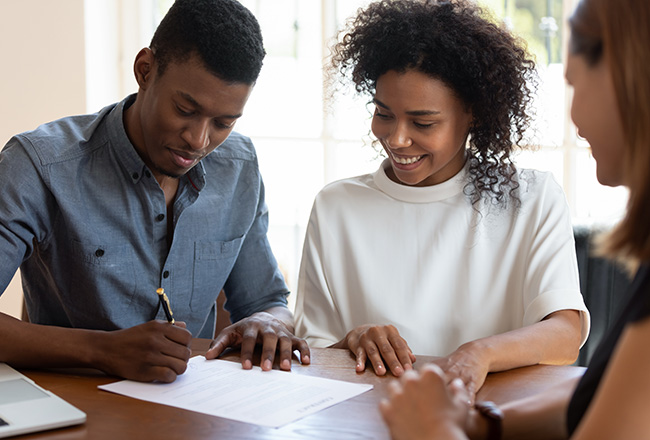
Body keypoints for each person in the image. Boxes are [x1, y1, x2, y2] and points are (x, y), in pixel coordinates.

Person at [0, 0, 309, 383]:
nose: (198, 140)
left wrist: (267, 322)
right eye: (184, 109)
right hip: (74, 408)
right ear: (144, 70)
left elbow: (267, 303)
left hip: (194, 410)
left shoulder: (239, 166)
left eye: (223, 122)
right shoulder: (40, 164)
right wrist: (101, 350)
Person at [380, 0, 650, 438]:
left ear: (631, 77)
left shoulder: (533, 196)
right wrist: (481, 424)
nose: (576, 119)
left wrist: (435, 431)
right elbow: (601, 395)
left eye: (576, 85)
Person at [294, 0, 589, 396]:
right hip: (370, 420)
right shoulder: (336, 208)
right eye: (383, 113)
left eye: (423, 122)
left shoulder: (530, 198)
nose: (397, 139)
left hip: (490, 418)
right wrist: (354, 338)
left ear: (474, 114)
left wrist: (478, 354)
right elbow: (313, 353)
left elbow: (565, 333)